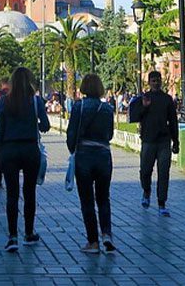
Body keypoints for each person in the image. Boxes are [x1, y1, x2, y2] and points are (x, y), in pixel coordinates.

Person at [0, 67, 50, 252]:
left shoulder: (4, 101)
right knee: (29, 192)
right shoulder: (35, 101)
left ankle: (12, 236)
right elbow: (45, 126)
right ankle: (28, 232)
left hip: (9, 150)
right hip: (29, 149)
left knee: (12, 194)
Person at [67, 74, 116, 254]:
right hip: (104, 156)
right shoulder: (107, 108)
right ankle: (107, 235)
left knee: (87, 200)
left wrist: (73, 150)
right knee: (103, 198)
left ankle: (93, 242)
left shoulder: (78, 107)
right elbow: (110, 134)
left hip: (84, 157)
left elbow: (71, 133)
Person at [129, 70, 179, 217]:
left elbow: (173, 121)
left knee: (163, 173)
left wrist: (175, 141)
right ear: (149, 82)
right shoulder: (143, 98)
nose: (156, 83)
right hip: (148, 140)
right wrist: (144, 107)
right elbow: (133, 117)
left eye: (158, 80)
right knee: (145, 171)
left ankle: (162, 202)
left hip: (164, 141)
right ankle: (146, 190)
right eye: (153, 81)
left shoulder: (167, 99)